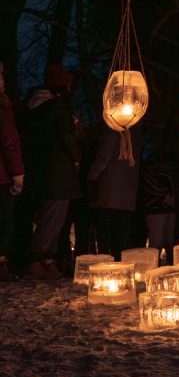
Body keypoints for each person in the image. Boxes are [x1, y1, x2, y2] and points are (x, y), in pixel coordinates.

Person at [23, 64, 81, 279]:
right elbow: (67, 137)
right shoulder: (58, 107)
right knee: (53, 218)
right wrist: (77, 158)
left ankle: (47, 260)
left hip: (40, 170)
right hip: (59, 173)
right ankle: (38, 259)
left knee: (49, 216)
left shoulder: (32, 107)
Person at [87, 125, 142, 259]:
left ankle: (105, 264)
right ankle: (120, 264)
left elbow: (103, 157)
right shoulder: (136, 133)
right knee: (121, 232)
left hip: (109, 189)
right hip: (127, 190)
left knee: (105, 232)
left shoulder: (113, 131)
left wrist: (91, 176)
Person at [0, 65, 25, 281]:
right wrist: (17, 174)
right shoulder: (2, 107)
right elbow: (9, 142)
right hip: (1, 176)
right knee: (3, 220)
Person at [141, 142, 176, 263]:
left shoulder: (170, 162)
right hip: (156, 209)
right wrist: (166, 197)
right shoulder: (152, 163)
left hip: (167, 209)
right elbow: (150, 183)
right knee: (156, 246)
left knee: (170, 245)